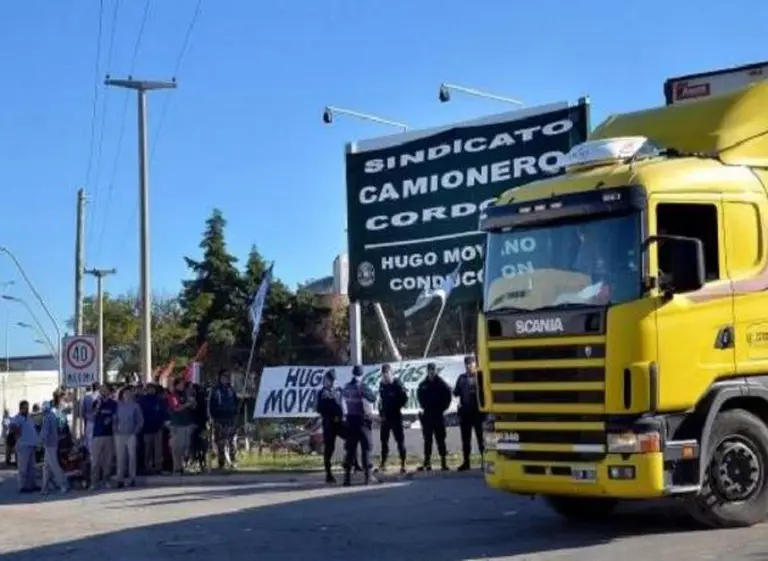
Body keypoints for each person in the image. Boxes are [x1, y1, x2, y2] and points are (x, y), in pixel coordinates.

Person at [341, 364, 376, 486]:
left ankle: (346, 478)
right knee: (366, 448)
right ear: (362, 374)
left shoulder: (346, 387)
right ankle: (368, 477)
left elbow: (343, 404)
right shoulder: (363, 387)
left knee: (350, 450)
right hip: (362, 421)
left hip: (350, 421)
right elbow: (372, 398)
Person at [416, 362, 452, 472]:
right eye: (430, 370)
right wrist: (424, 406)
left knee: (440, 439)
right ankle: (427, 462)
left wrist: (443, 408)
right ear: (427, 371)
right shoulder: (423, 384)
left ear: (436, 370)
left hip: (438, 415)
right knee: (427, 440)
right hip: (427, 416)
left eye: (433, 370)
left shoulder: (441, 383)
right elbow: (419, 396)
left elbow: (448, 396)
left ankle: (443, 463)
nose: (432, 372)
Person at [454, 355, 485, 471]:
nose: (468, 366)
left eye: (470, 363)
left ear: (475, 364)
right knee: (465, 440)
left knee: (481, 439)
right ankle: (466, 462)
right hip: (466, 413)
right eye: (466, 364)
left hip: (478, 413)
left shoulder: (480, 376)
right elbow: (456, 392)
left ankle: (484, 462)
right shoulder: (461, 378)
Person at [378, 363, 408, 473]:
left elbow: (405, 398)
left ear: (391, 373)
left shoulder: (397, 383)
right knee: (384, 441)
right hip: (385, 417)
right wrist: (381, 413)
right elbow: (381, 401)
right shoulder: (382, 385)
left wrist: (397, 405)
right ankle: (383, 463)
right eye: (383, 374)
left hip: (395, 416)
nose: (385, 376)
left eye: (387, 373)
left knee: (400, 440)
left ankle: (403, 463)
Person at [316, 368, 344, 484]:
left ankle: (354, 463)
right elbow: (320, 409)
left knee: (352, 437)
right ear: (325, 380)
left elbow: (341, 405)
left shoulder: (337, 391)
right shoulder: (322, 393)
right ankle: (328, 474)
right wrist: (332, 416)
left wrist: (340, 416)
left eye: (333, 380)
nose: (331, 382)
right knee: (329, 448)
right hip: (329, 423)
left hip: (339, 422)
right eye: (330, 380)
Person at [114, 386, 144, 488]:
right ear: (122, 395)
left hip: (131, 435)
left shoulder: (135, 406)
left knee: (132, 457)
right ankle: (120, 479)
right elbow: (115, 419)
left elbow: (140, 421)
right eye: (125, 393)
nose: (126, 395)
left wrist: (135, 432)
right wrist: (115, 430)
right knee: (120, 458)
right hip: (119, 435)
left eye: (128, 393)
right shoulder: (118, 406)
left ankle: (132, 479)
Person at [209, 369, 238, 470]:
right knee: (220, 442)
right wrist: (213, 417)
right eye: (224, 376)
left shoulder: (231, 390)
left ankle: (233, 461)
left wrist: (235, 414)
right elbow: (211, 405)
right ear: (220, 377)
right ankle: (222, 463)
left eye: (227, 377)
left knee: (232, 442)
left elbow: (236, 403)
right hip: (219, 419)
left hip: (230, 419)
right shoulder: (215, 390)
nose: (226, 379)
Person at [90, 384, 118, 489]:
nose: (103, 392)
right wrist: (98, 406)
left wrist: (110, 420)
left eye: (105, 390)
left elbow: (115, 417)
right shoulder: (96, 402)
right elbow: (93, 415)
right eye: (101, 390)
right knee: (95, 460)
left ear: (109, 392)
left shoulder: (113, 404)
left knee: (108, 460)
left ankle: (106, 480)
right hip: (97, 434)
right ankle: (94, 482)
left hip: (109, 435)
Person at [9, 400, 40, 492]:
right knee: (23, 467)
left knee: (32, 467)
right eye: (25, 407)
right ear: (21, 408)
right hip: (23, 446)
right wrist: (17, 431)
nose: (27, 409)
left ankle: (32, 485)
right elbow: (12, 426)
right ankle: (23, 486)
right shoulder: (18, 417)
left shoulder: (29, 418)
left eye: (27, 407)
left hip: (31, 445)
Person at [167, 377, 195, 474]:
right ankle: (177, 467)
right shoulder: (173, 396)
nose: (182, 386)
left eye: (183, 384)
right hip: (177, 425)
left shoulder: (186, 395)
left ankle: (183, 465)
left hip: (186, 423)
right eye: (180, 384)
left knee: (185, 446)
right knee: (176, 447)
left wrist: (192, 403)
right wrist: (187, 404)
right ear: (176, 385)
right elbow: (176, 408)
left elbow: (193, 406)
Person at [40, 401, 67, 495]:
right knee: (46, 467)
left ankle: (63, 485)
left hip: (50, 445)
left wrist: (40, 441)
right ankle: (45, 488)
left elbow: (45, 432)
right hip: (52, 444)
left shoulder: (47, 417)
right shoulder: (53, 416)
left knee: (54, 466)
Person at [138, 383, 165, 474]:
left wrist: (161, 424)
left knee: (158, 449)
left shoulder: (159, 400)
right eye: (149, 389)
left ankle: (158, 466)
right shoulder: (142, 400)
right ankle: (147, 466)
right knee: (147, 449)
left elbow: (162, 412)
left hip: (158, 428)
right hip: (146, 428)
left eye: (153, 389)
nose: (151, 390)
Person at [81, 382, 100, 453]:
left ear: (92, 388)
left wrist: (85, 420)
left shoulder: (86, 397)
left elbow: (83, 411)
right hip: (99, 422)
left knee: (89, 440)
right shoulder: (100, 397)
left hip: (90, 421)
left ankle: (91, 457)